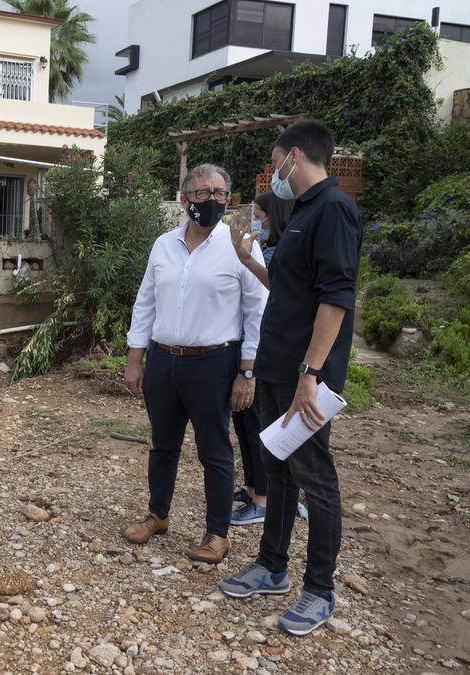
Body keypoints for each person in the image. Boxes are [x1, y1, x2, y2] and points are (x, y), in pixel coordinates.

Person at [218, 120, 363, 637]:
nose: (274, 171)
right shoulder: (300, 211)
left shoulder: (335, 209)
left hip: (305, 374)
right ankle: (271, 567)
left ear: (294, 156)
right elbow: (289, 284)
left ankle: (320, 590)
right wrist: (247, 261)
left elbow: (336, 299)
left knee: (314, 478)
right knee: (276, 468)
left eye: (276, 159)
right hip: (278, 367)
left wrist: (310, 373)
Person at [122, 164, 268, 565]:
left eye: (220, 193)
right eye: (203, 193)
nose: (212, 200)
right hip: (164, 361)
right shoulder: (163, 245)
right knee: (163, 445)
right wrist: (135, 358)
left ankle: (217, 534)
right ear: (184, 200)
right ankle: (158, 515)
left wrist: (247, 372)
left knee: (215, 451)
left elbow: (257, 311)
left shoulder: (240, 247)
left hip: (214, 363)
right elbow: (145, 301)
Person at [230, 191, 295, 527]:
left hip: (266, 348)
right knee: (243, 421)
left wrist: (250, 366)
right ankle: (253, 485)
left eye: (259, 213)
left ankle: (263, 499)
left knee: (257, 423)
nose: (256, 219)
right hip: (250, 343)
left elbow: (266, 301)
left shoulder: (280, 249)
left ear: (275, 214)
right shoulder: (264, 245)